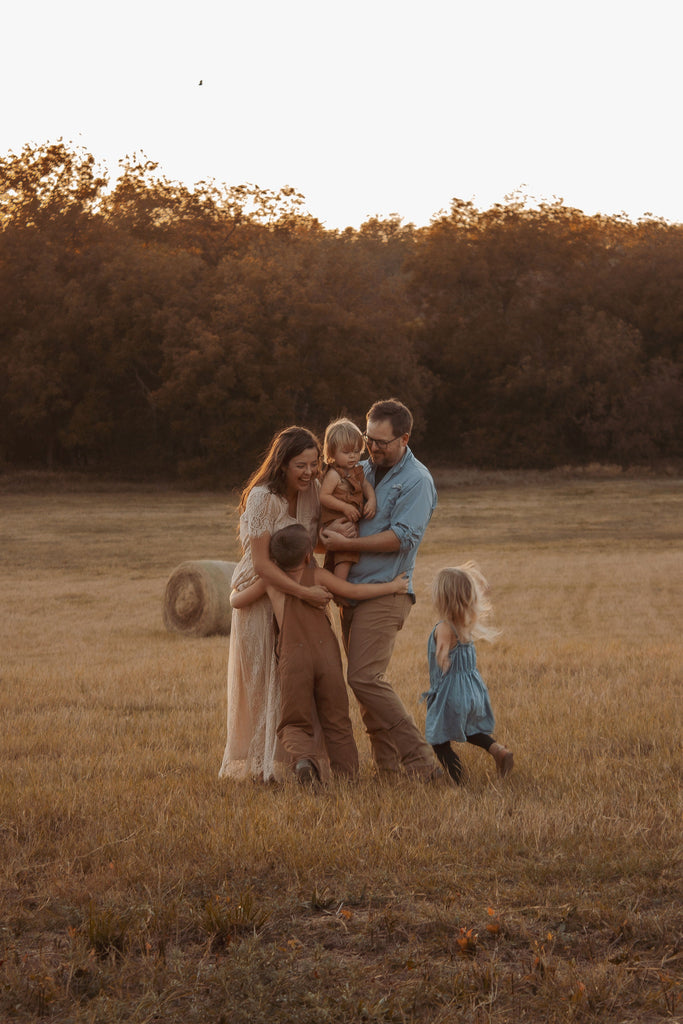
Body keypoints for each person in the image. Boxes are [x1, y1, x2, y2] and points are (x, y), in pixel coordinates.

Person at [320, 398, 445, 783]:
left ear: (404, 439)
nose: (371, 448)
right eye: (367, 439)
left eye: (380, 442)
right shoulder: (361, 469)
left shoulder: (417, 481)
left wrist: (346, 546)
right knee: (364, 685)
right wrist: (329, 540)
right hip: (349, 590)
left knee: (363, 678)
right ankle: (388, 771)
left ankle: (422, 762)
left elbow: (401, 539)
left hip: (386, 591)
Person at [230, 524, 410, 784]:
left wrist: (234, 589)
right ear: (307, 556)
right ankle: (348, 777)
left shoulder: (270, 581)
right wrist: (392, 586)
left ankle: (304, 760)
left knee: (294, 721)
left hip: (294, 658)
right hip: (326, 655)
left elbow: (236, 602)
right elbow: (353, 592)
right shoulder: (318, 577)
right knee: (337, 720)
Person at [218, 426, 332, 783]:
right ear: (282, 463)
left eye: (314, 464)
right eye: (301, 464)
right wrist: (306, 594)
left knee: (296, 679)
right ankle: (265, 767)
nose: (309, 472)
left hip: (296, 587)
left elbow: (311, 544)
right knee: (267, 679)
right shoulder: (262, 498)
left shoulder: (313, 491)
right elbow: (263, 563)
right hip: (262, 591)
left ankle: (301, 760)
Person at [421, 563, 514, 783]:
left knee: (438, 740)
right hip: (471, 690)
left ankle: (457, 779)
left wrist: (442, 655)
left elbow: (443, 645)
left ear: (442, 599)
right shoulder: (465, 624)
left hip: (450, 693)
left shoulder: (445, 626)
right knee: (469, 729)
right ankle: (498, 750)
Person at [319, 418, 377, 580]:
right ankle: (340, 587)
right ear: (331, 453)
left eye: (356, 451)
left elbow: (366, 486)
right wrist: (345, 508)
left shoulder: (356, 471)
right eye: (346, 452)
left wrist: (372, 500)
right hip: (337, 521)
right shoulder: (333, 474)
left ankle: (335, 586)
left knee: (342, 558)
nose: (352, 456)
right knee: (344, 557)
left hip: (349, 523)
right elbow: (324, 496)